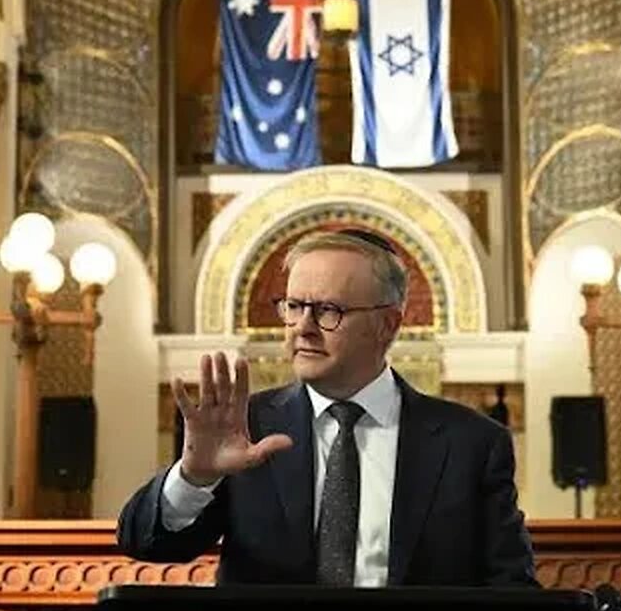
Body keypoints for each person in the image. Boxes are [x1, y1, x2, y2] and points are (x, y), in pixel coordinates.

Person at [117, 229, 537, 587]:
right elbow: (146, 542)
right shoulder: (247, 426)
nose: (302, 326)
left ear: (387, 324)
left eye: (328, 310)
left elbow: (513, 592)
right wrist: (196, 477)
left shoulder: (472, 444)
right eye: (294, 306)